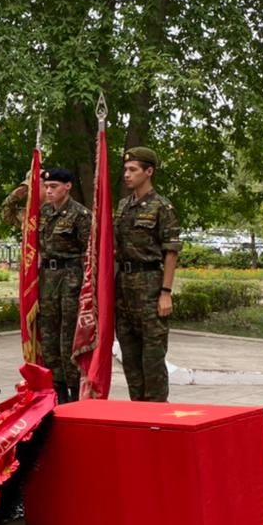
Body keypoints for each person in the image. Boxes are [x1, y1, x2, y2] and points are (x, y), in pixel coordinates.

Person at [113, 146, 181, 402]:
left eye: (133, 170)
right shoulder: (123, 206)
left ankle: (157, 417)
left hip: (151, 285)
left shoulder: (161, 207)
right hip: (124, 287)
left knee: (152, 360)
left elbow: (171, 252)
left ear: (148, 172)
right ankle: (138, 414)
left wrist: (165, 293)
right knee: (130, 357)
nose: (127, 175)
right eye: (126, 170)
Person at [37, 169, 92, 403]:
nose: (49, 191)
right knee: (48, 336)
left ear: (68, 186)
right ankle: (55, 390)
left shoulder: (80, 215)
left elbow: (89, 252)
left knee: (68, 338)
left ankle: (73, 392)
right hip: (48, 278)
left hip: (70, 278)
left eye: (55, 186)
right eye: (47, 186)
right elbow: (11, 217)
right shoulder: (44, 212)